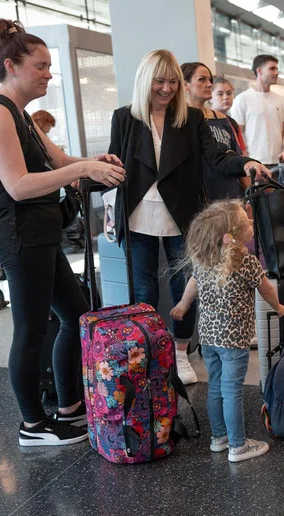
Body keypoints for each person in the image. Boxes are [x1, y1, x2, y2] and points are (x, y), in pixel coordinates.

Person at [0, 18, 127, 445]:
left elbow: (59, 161)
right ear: (12, 65)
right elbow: (18, 185)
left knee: (76, 316)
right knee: (30, 331)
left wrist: (93, 162)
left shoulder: (21, 116)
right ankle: (32, 425)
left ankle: (68, 408)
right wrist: (82, 169)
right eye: (40, 66)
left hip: (40, 235)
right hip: (19, 239)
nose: (48, 73)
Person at [109, 50, 270, 386]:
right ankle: (148, 354)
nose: (166, 89)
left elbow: (215, 156)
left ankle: (181, 354)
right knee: (143, 291)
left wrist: (245, 163)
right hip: (137, 216)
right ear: (145, 81)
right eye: (159, 81)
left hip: (180, 216)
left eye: (171, 82)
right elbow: (115, 165)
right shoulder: (124, 118)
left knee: (185, 286)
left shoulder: (190, 119)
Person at [171, 199, 283, 462]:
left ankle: (218, 439)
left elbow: (193, 284)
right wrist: (278, 306)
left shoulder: (203, 259)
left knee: (216, 388)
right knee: (232, 391)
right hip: (234, 341)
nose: (251, 223)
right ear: (231, 235)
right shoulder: (246, 262)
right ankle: (238, 446)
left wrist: (182, 305)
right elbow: (265, 289)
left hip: (208, 338)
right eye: (247, 221)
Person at [182, 62, 250, 200]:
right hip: (198, 197)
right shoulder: (178, 121)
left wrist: (249, 193)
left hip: (230, 195)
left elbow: (236, 157)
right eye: (202, 79)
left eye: (210, 80)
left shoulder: (223, 119)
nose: (209, 84)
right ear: (185, 85)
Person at [231, 54, 284, 169]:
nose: (276, 72)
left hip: (278, 162)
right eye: (272, 68)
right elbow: (237, 133)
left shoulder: (281, 100)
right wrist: (244, 157)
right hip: (254, 162)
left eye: (277, 69)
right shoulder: (242, 99)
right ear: (259, 70)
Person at [209, 77, 248, 155]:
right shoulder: (204, 120)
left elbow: (242, 151)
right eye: (220, 94)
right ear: (210, 97)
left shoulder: (233, 123)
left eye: (229, 93)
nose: (226, 97)